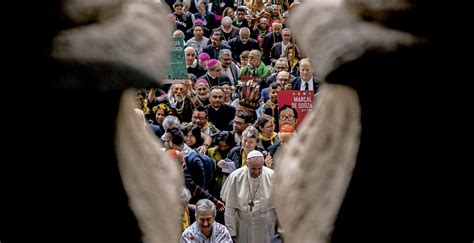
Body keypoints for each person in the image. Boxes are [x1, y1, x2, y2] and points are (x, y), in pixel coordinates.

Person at [220, 150, 277, 243]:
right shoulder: (235, 177)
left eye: (260, 168)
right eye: (253, 169)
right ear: (247, 164)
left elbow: (279, 207)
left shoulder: (272, 176)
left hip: (266, 226)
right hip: (243, 226)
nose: (257, 172)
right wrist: (231, 232)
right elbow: (230, 208)